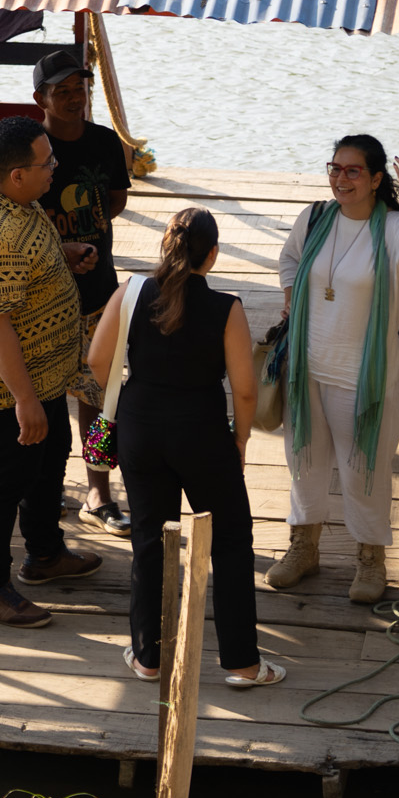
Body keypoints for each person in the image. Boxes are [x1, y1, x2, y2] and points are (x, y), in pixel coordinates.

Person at [87, 207, 284, 688]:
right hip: (201, 433)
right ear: (212, 255)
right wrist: (239, 439)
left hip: (139, 428)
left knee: (149, 538)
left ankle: (148, 657)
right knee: (232, 540)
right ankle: (241, 663)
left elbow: (96, 361)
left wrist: (137, 391)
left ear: (165, 246)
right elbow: (243, 390)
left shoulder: (131, 292)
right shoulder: (226, 307)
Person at [0, 114, 104, 628]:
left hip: (44, 372)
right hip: (5, 386)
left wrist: (60, 253)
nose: (55, 167)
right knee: (3, 480)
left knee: (49, 456)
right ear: (16, 176)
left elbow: (24, 257)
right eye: (47, 162)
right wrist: (24, 401)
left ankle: (45, 553)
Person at [267, 135, 399, 605]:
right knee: (305, 462)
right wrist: (288, 293)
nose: (341, 178)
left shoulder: (394, 227)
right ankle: (304, 547)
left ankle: (369, 557)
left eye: (353, 171)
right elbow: (289, 260)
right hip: (308, 367)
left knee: (364, 469)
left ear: (377, 178)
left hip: (363, 376)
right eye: (335, 168)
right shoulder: (315, 217)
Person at [31, 47, 134, 537]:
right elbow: (3, 207)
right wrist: (59, 245)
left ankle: (99, 491)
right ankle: (39, 491)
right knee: (38, 394)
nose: (74, 99)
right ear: (41, 99)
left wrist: (85, 234)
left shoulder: (106, 143)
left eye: (80, 89)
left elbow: (114, 199)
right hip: (41, 297)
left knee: (99, 397)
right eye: (62, 92)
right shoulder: (29, 149)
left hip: (99, 293)